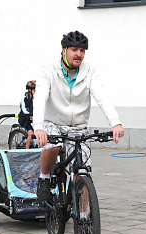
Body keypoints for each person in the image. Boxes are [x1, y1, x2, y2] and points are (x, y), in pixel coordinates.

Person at [33, 31, 124, 204]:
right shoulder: (49, 70)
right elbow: (40, 98)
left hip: (78, 127)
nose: (79, 54)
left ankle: (84, 216)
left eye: (82, 51)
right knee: (53, 145)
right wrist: (38, 127)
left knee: (83, 172)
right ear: (63, 50)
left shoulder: (89, 71)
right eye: (74, 49)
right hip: (53, 122)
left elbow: (102, 97)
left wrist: (116, 123)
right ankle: (44, 178)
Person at [18, 80, 35, 149]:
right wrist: (31, 114)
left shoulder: (35, 99)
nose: (35, 91)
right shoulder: (24, 99)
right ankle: (27, 151)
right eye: (34, 89)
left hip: (30, 119)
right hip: (24, 119)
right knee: (30, 133)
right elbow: (25, 110)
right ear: (29, 90)